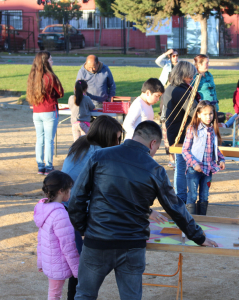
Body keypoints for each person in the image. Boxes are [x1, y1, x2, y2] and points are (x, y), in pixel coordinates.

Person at [68, 121, 217, 300]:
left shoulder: (100, 156)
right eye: (156, 148)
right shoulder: (154, 169)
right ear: (153, 143)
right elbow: (175, 207)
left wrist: (84, 228)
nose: (153, 153)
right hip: (132, 244)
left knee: (84, 295)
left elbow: (76, 198)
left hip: (98, 240)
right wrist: (198, 236)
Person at [61, 115, 166, 300]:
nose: (119, 143)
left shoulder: (81, 144)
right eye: (117, 138)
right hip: (82, 215)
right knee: (83, 275)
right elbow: (103, 195)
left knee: (80, 273)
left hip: (70, 211)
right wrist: (85, 228)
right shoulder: (100, 155)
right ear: (106, 137)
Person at [34, 170, 79, 300]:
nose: (70, 192)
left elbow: (41, 239)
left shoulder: (43, 208)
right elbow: (68, 245)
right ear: (61, 190)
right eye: (69, 189)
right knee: (54, 295)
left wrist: (40, 262)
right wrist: (77, 271)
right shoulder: (60, 214)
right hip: (58, 263)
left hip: (49, 261)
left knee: (53, 293)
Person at [163, 61, 200, 203]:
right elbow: (194, 111)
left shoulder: (173, 88)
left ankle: (181, 198)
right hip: (181, 134)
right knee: (182, 167)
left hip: (177, 132)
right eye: (190, 75)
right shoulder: (180, 91)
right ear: (183, 74)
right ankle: (181, 198)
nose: (192, 77)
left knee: (181, 166)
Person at [182, 101, 226, 215]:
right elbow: (185, 150)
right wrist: (194, 163)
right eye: (205, 114)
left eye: (211, 114)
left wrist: (221, 159)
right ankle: (190, 223)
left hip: (208, 169)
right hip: (194, 169)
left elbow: (215, 149)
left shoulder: (213, 130)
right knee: (192, 195)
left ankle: (202, 222)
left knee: (204, 196)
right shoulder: (192, 129)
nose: (208, 116)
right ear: (198, 114)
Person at [27, 51, 64, 175]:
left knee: (40, 139)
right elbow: (60, 92)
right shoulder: (50, 76)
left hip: (36, 111)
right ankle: (48, 166)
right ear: (46, 62)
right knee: (49, 140)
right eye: (51, 59)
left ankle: (40, 165)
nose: (52, 61)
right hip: (49, 110)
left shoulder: (33, 77)